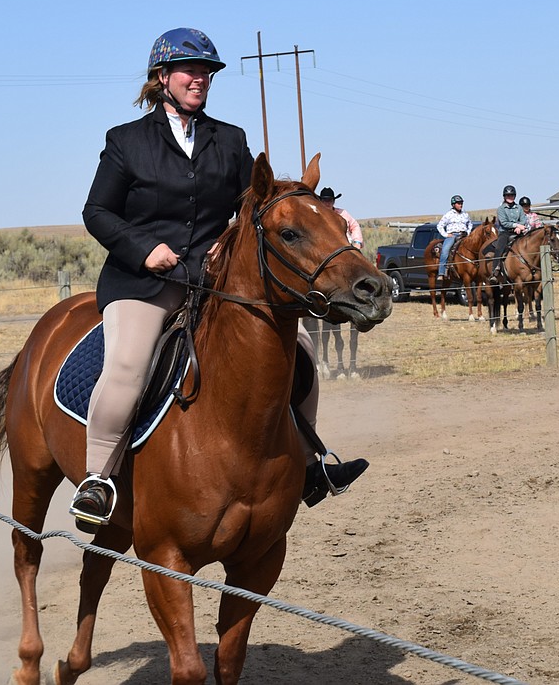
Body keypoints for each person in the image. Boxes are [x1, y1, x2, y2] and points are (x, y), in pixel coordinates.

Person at [73, 28, 367, 529]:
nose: (201, 79)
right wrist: (145, 250)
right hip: (144, 283)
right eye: (191, 69)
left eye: (207, 71)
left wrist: (329, 218)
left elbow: (261, 204)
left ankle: (310, 463)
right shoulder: (125, 142)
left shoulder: (229, 140)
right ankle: (98, 479)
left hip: (212, 283)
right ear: (162, 77)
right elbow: (97, 211)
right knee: (128, 364)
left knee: (302, 354)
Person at [492, 185, 527, 279]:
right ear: (504, 196)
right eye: (508, 195)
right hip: (505, 232)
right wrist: (516, 225)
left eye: (511, 195)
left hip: (518, 232)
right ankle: (495, 271)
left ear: (514, 196)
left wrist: (520, 227)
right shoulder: (501, 209)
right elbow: (503, 223)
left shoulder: (519, 207)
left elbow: (523, 219)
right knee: (499, 248)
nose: (510, 197)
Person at [436, 195, 472, 278]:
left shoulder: (465, 214)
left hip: (464, 235)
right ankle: (442, 272)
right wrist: (446, 234)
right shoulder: (448, 215)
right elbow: (439, 226)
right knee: (445, 250)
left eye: (461, 203)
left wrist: (468, 232)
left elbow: (470, 223)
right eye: (458, 203)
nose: (461, 205)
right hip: (453, 235)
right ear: (453, 205)